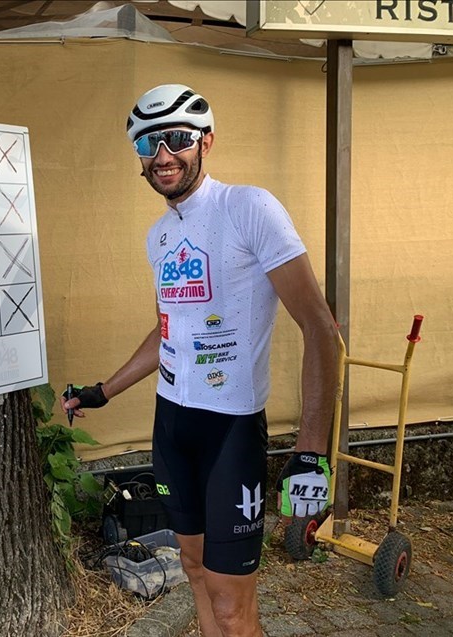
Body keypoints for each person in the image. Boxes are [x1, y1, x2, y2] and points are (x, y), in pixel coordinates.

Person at [62, 84, 339, 637]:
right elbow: (168, 330)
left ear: (205, 142)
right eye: (148, 143)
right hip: (172, 428)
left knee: (233, 606)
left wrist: (312, 451)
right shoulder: (159, 235)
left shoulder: (249, 207)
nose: (163, 154)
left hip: (230, 434)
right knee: (193, 572)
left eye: (177, 138)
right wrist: (105, 390)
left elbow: (321, 330)